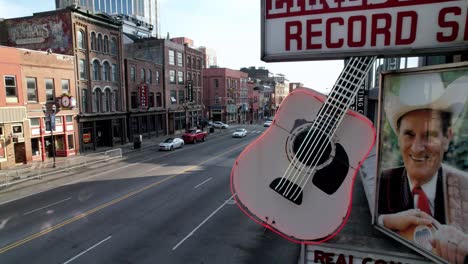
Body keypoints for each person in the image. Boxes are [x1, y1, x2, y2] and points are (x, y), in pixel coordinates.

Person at [377, 72, 468, 263]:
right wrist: (384, 221)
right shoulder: (379, 182)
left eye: (429, 135)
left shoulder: (465, 187)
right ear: (398, 137)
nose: (417, 148)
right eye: (409, 134)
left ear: (447, 138)